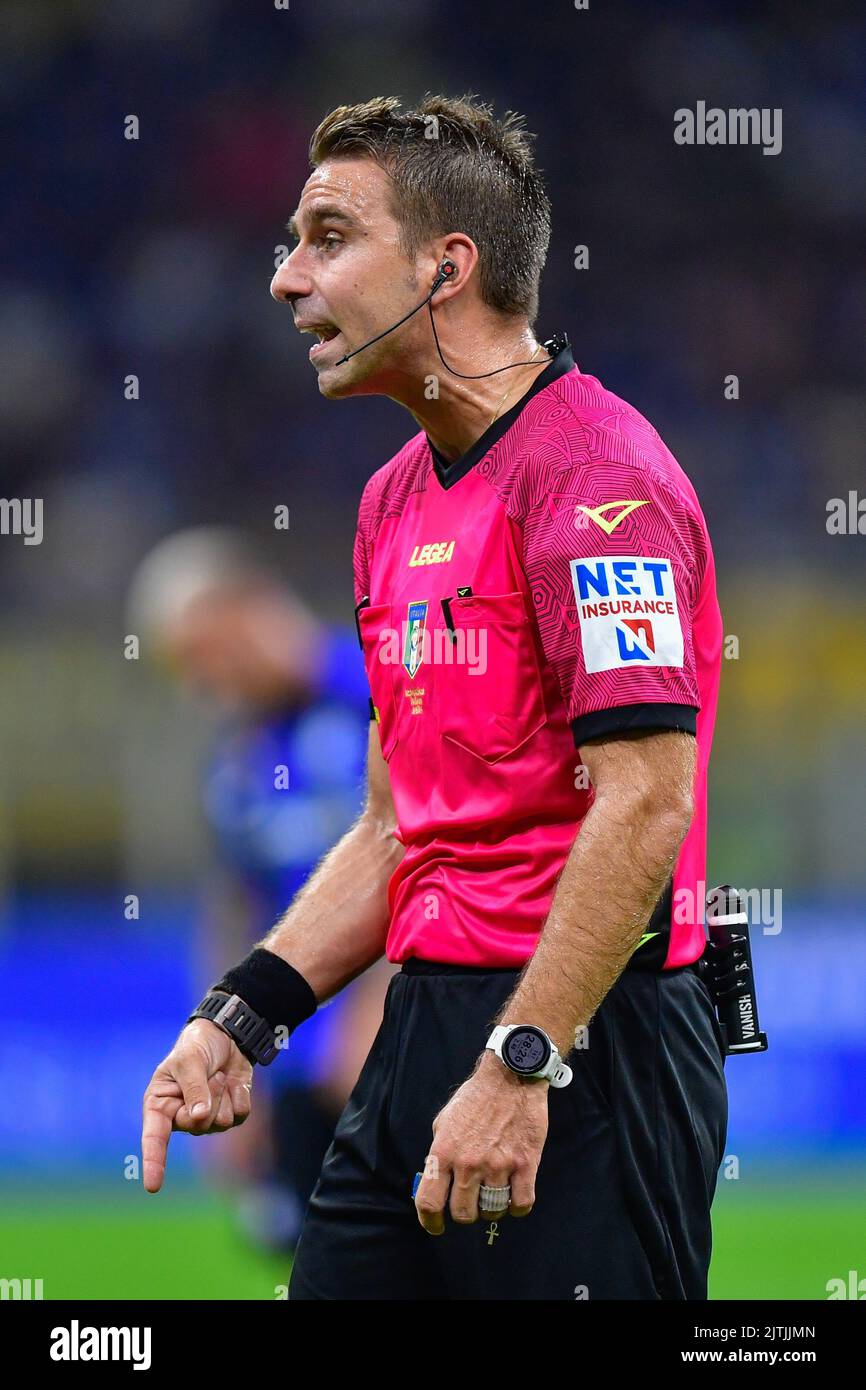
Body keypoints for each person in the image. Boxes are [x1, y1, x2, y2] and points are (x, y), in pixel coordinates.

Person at [142, 93, 728, 1300]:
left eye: (326, 236)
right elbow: (392, 825)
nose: (285, 278)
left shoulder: (598, 482)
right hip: (419, 1030)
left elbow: (644, 805)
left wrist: (519, 1063)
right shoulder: (390, 502)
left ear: (443, 268)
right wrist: (240, 1015)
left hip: (582, 1041)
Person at [129, 527, 392, 1250]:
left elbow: (447, 856)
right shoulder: (240, 763)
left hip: (415, 1044)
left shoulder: (386, 686)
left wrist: (390, 1002)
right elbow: (235, 910)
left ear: (243, 611)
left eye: (200, 657)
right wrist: (221, 1046)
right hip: (303, 1076)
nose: (199, 686)